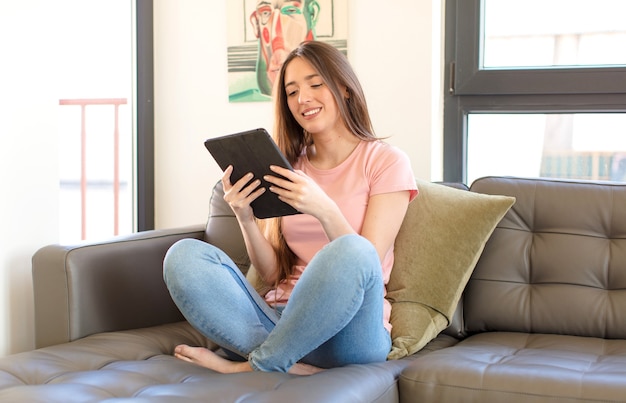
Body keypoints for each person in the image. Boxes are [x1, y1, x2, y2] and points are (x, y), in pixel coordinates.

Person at [164, 40, 418, 375]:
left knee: (352, 252)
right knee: (183, 256)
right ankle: (294, 365)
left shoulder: (386, 162)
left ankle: (254, 367)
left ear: (344, 88)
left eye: (315, 84)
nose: (304, 99)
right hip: (282, 320)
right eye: (292, 91)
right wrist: (246, 218)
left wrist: (323, 208)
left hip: (351, 333)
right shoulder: (287, 167)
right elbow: (273, 274)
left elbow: (366, 261)